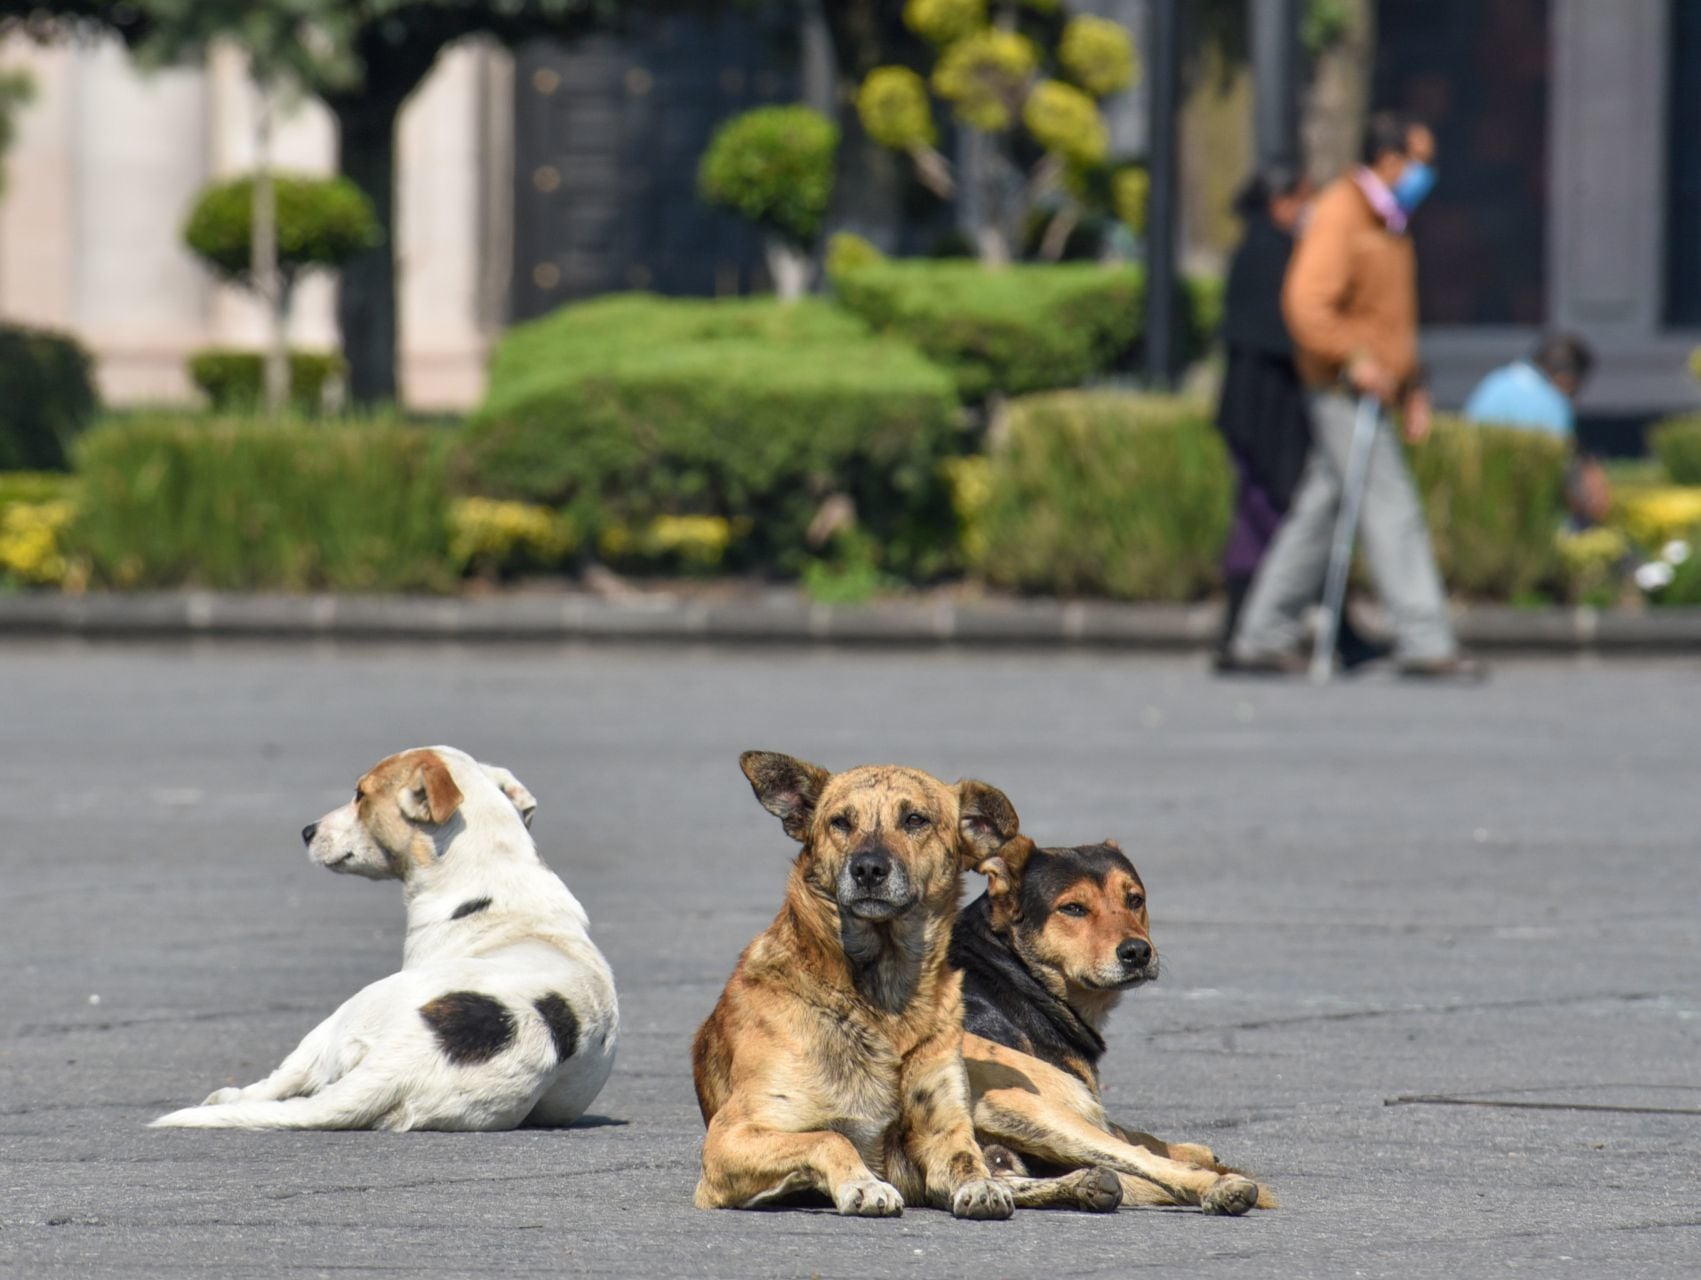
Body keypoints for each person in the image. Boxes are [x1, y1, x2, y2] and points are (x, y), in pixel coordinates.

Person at [1228, 111, 1482, 680]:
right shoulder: (1343, 212)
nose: (1427, 173)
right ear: (1389, 160)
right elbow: (1307, 304)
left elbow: (1387, 317)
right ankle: (1426, 640)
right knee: (1392, 508)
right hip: (1342, 390)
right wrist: (1356, 359)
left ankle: (1261, 634)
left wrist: (1411, 386)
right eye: (1420, 160)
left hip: (1369, 390)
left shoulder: (1386, 219)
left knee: (1319, 512)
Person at [1212, 165, 1386, 670]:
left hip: (1267, 409)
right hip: (1267, 412)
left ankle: (1300, 630)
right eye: (1304, 199)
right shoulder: (1269, 255)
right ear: (1280, 203)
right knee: (1282, 518)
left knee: (1284, 517)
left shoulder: (1265, 249)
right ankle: (1250, 633)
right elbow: (1290, 330)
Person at [1463, 333, 1608, 525]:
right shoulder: (1553, 404)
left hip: (1476, 513)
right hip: (1526, 522)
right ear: (1566, 378)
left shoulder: (1492, 383)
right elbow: (1565, 477)